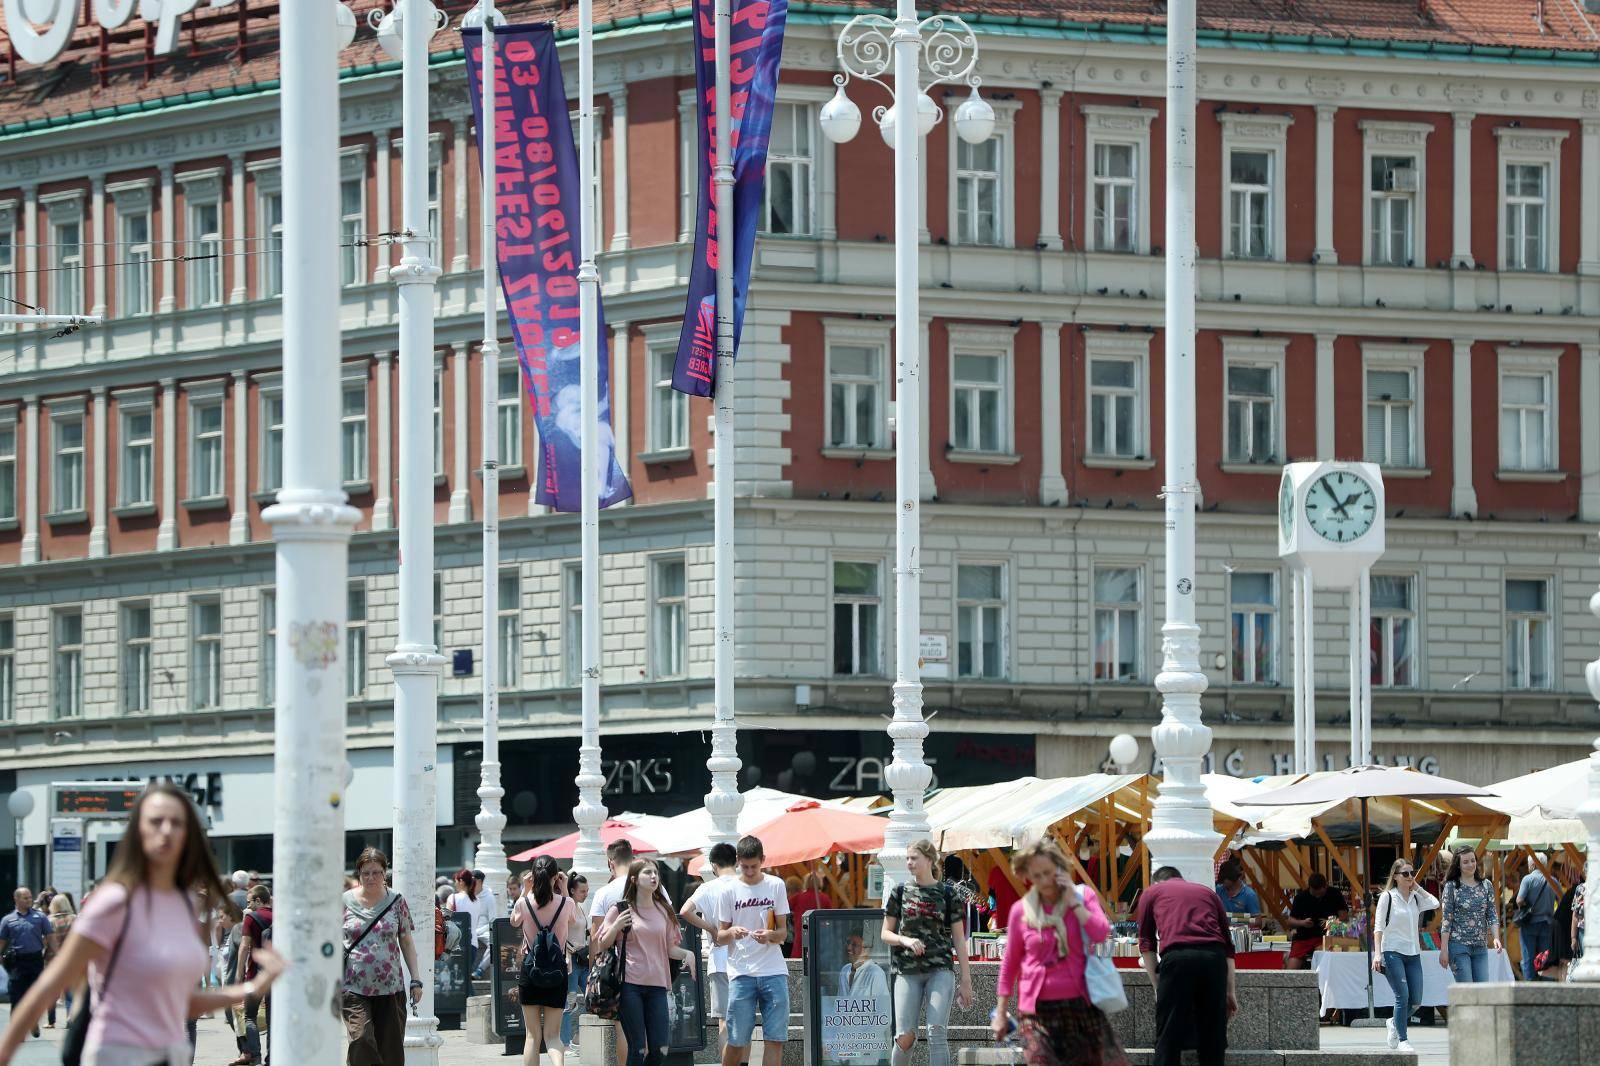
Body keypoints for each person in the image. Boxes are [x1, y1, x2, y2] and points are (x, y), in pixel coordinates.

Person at [0, 783, 283, 1066]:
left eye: (176, 822)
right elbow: (50, 984)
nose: (166, 830)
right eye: (156, 821)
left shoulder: (185, 906)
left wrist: (253, 987)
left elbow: (182, 1003)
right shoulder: (115, 902)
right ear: (138, 833)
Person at [993, 839, 1125, 1066]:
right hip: (1035, 1012)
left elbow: (1101, 934)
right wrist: (1001, 1011)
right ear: (1027, 875)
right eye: (1036, 876)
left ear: (1060, 868)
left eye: (1048, 873)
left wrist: (1074, 903)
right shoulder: (1020, 911)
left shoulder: (1083, 897)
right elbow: (1010, 962)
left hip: (1080, 1006)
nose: (1044, 881)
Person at [597, 859, 695, 1066]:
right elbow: (602, 943)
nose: (654, 877)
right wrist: (615, 927)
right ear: (634, 879)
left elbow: (670, 949)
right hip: (629, 985)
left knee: (661, 1048)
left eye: (656, 873)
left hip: (658, 986)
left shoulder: (664, 911)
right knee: (638, 1048)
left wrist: (688, 954)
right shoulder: (621, 909)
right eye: (648, 873)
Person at [883, 840, 972, 1066]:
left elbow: (959, 940)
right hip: (906, 970)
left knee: (936, 1031)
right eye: (908, 858)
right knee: (904, 1037)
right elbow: (885, 933)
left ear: (929, 860)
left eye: (914, 858)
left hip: (940, 969)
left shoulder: (948, 893)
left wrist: (966, 978)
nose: (909, 863)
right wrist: (905, 939)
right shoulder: (900, 891)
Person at [1136, 866, 1237, 1066]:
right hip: (1213, 958)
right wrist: (1230, 991)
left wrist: (1158, 985)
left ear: (1157, 881)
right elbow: (1228, 946)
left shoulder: (1152, 892)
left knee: (1169, 1033)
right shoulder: (1208, 892)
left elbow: (1146, 942)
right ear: (1181, 879)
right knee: (1213, 1033)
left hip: (1177, 957)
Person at [343, 847, 425, 1066]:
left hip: (391, 987)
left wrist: (416, 979)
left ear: (384, 873)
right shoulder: (343, 902)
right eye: (365, 873)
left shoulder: (397, 901)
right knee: (361, 1039)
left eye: (376, 872)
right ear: (358, 874)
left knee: (391, 1051)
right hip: (354, 986)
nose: (371, 877)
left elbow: (406, 940)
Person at [714, 835, 790, 1066]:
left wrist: (770, 936)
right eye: (744, 866)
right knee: (737, 1040)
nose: (748, 871)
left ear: (763, 860)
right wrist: (732, 931)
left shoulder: (776, 885)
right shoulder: (728, 890)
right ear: (737, 861)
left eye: (754, 866)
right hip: (741, 972)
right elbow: (719, 936)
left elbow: (783, 933)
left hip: (774, 970)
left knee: (775, 1039)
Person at [589, 839, 658, 1066]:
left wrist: (593, 974)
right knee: (650, 1027)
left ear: (611, 862)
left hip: (620, 970)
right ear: (633, 858)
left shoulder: (604, 893)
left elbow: (597, 937)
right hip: (653, 969)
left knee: (623, 1027)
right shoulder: (651, 883)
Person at [511, 856, 574, 1066]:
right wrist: (564, 889)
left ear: (533, 876)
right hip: (558, 972)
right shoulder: (566, 903)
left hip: (531, 972)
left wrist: (524, 890)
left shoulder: (524, 902)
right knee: (553, 1036)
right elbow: (573, 920)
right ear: (556, 877)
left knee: (532, 1036)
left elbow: (513, 921)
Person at [1372, 858, 1437, 1053]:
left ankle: (1393, 1021)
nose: (1410, 877)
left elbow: (1435, 903)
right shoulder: (1387, 897)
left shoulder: (1416, 897)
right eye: (1406, 874)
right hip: (1392, 951)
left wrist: (1416, 886)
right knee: (1402, 996)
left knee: (1416, 1001)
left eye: (1412, 873)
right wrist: (1377, 954)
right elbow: (1378, 927)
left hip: (1413, 953)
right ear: (1396, 876)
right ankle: (1403, 1039)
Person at [680, 843, 739, 1052]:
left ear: (713, 865)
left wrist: (711, 929)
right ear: (737, 861)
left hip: (720, 960)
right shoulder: (747, 885)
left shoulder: (707, 888)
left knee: (724, 1021)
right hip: (748, 962)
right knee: (744, 1022)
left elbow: (685, 911)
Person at [1438, 845, 1499, 984]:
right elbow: (1446, 920)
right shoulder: (1451, 886)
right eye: (1465, 862)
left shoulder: (1486, 885)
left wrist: (1496, 938)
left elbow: (1492, 914)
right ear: (1458, 865)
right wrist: (1444, 949)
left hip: (1480, 946)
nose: (1470, 864)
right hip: (1458, 946)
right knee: (1467, 992)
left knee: (1482, 991)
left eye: (1473, 860)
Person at [0, 887, 53, 1040]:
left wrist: (56, 955)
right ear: (16, 899)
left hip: (35, 960)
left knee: (36, 995)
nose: (29, 900)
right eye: (25, 897)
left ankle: (33, 1021)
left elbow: (50, 937)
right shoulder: (7, 920)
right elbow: (2, 942)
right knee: (16, 996)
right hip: (17, 962)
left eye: (30, 897)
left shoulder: (40, 917)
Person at [236, 883, 274, 1065]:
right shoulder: (279, 916)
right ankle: (271, 1059)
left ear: (259, 900)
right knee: (272, 1019)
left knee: (249, 1015)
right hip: (275, 974)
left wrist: (238, 973)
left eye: (250, 901)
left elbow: (244, 946)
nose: (248, 905)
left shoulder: (251, 918)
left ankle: (256, 1057)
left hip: (254, 974)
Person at [1284, 872, 1346, 971]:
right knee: (1292, 968)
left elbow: (1344, 916)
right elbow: (1290, 921)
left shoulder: (1335, 894)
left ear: (1325, 886)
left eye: (1320, 894)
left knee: (1323, 961)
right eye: (1314, 893)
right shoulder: (1301, 897)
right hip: (1303, 938)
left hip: (1326, 937)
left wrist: (1331, 923)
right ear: (1309, 888)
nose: (1317, 896)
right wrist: (1302, 923)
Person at [1514, 854, 1558, 981]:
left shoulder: (1528, 879)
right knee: (1545, 957)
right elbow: (1561, 898)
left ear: (1532, 865)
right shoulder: (1552, 880)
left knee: (1528, 958)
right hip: (1548, 923)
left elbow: (1519, 900)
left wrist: (1527, 905)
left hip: (1529, 924)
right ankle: (1547, 986)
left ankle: (1530, 987)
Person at [561, 872, 590, 1051]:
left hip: (583, 959)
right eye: (582, 891)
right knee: (569, 1002)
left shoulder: (581, 907)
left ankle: (579, 1036)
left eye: (587, 890)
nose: (586, 893)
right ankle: (565, 1042)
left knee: (592, 996)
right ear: (572, 890)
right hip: (571, 960)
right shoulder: (568, 905)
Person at [449, 867, 492, 979]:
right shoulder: (477, 901)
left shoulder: (453, 898)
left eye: (456, 880)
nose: (455, 884)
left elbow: (447, 921)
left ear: (461, 881)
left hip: (456, 944)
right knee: (465, 978)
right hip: (472, 944)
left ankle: (471, 995)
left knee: (457, 978)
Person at [787, 871, 833, 958]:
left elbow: (784, 906)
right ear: (820, 883)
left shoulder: (798, 897)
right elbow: (830, 918)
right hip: (819, 935)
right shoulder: (824, 898)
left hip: (801, 934)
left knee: (800, 960)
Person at [838, 933, 888, 998]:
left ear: (866, 949)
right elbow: (838, 1004)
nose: (849, 948)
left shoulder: (876, 973)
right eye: (848, 943)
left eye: (854, 944)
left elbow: (882, 1006)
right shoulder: (844, 970)